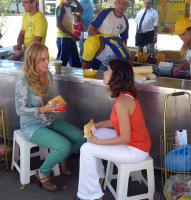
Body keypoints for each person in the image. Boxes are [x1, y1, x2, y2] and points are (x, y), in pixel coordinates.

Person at [77, 59, 151, 200]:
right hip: (135, 143)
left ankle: (92, 195)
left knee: (86, 149)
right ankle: (98, 178)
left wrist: (97, 143)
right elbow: (115, 121)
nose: (104, 72)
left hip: (135, 150)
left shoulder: (123, 102)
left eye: (108, 70)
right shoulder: (124, 95)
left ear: (116, 76)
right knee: (94, 134)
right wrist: (96, 126)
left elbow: (124, 138)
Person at [15, 43, 84, 191]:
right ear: (32, 61)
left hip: (47, 119)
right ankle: (43, 172)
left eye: (47, 58)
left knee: (81, 137)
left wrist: (54, 104)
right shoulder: (23, 81)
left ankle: (61, 158)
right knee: (63, 145)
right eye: (43, 60)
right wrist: (43, 109)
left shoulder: (48, 75)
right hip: (31, 125)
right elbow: (20, 110)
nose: (48, 62)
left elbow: (49, 99)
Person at [56, 0, 83, 67]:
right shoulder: (61, 8)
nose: (70, 1)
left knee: (75, 60)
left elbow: (81, 9)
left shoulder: (70, 7)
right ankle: (58, 77)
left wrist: (76, 1)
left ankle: (76, 76)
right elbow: (58, 24)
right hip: (63, 38)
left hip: (69, 37)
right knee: (62, 62)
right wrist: (72, 36)